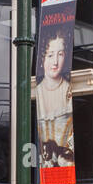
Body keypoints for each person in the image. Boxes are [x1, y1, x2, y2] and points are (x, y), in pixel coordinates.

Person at [35, 33, 74, 167]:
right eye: (50, 55)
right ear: (42, 58)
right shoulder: (38, 92)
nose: (55, 62)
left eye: (61, 54)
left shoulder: (69, 90)